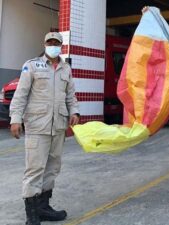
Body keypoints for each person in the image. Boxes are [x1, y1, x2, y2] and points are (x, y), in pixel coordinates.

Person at [10, 32, 80, 225]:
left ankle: (43, 207)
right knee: (34, 169)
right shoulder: (32, 65)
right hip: (37, 126)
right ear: (44, 44)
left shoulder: (66, 68)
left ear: (61, 46)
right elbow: (20, 95)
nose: (53, 45)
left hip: (58, 126)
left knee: (52, 168)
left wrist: (74, 111)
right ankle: (32, 214)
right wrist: (15, 119)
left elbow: (70, 95)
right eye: (50, 42)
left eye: (56, 43)